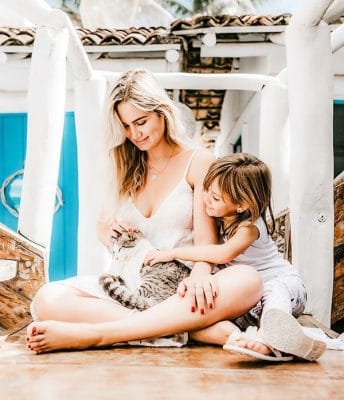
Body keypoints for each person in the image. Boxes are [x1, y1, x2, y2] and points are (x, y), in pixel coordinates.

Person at [25, 69, 262, 354]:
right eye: (125, 126)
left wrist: (201, 275)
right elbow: (102, 228)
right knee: (48, 298)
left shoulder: (198, 161)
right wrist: (110, 233)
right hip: (129, 282)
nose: (134, 134)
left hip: (181, 289)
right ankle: (188, 331)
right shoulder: (123, 166)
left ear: (162, 112)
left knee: (248, 281)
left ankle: (97, 334)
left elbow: (206, 243)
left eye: (141, 122)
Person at [144, 153, 326, 361]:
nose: (206, 201)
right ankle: (275, 341)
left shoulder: (250, 227)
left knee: (272, 290)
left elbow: (222, 254)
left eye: (215, 198)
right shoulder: (219, 217)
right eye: (206, 192)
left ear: (241, 205)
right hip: (251, 299)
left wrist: (172, 253)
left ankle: (271, 336)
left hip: (287, 288)